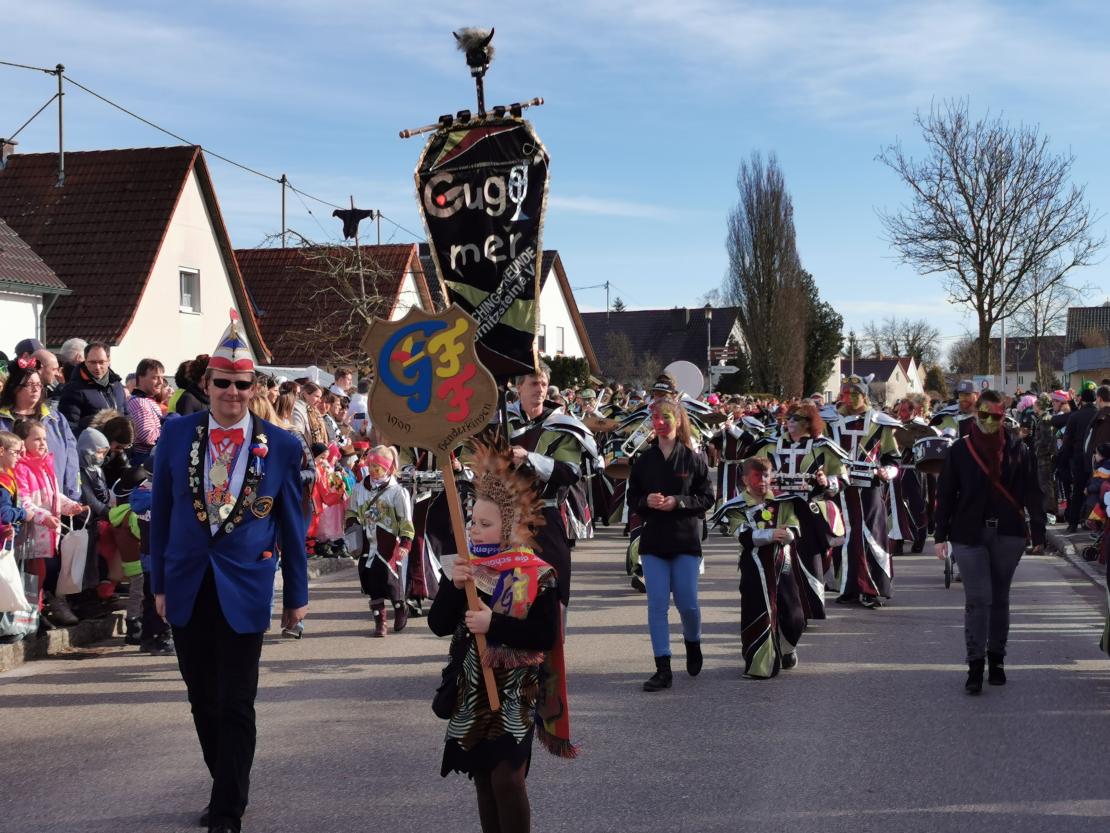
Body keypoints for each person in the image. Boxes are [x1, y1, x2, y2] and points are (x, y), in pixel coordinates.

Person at [150, 310, 308, 833]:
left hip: (246, 586)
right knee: (202, 698)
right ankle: (227, 780)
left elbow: (292, 524)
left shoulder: (281, 445)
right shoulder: (175, 434)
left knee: (237, 699)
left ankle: (227, 808)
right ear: (207, 382)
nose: (232, 393)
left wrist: (296, 597)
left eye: (242, 384)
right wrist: (158, 584)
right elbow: (165, 514)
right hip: (187, 582)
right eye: (223, 383)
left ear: (253, 386)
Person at [428, 438, 574, 833]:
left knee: (507, 780)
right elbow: (439, 624)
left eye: (485, 524)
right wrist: (454, 587)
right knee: (483, 780)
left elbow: (543, 635)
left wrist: (493, 624)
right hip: (472, 690)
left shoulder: (534, 573)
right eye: (473, 521)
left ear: (509, 526)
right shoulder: (467, 568)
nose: (475, 528)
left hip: (518, 692)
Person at [934, 390, 1046, 695]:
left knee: (999, 598)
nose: (988, 421)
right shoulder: (959, 451)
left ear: (1003, 416)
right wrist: (939, 535)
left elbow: (1034, 492)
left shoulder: (1019, 450)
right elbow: (945, 494)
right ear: (975, 414)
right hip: (968, 534)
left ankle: (997, 660)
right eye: (982, 415)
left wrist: (1038, 532)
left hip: (1008, 534)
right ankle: (975, 664)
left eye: (995, 416)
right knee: (978, 598)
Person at [627, 399, 715, 691]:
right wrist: (645, 502)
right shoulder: (643, 460)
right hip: (653, 542)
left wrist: (678, 502)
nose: (660, 422)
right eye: (655, 417)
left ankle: (693, 642)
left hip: (685, 540)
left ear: (677, 421)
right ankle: (662, 668)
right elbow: (633, 499)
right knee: (657, 605)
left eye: (666, 417)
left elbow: (706, 498)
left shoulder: (692, 458)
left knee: (688, 604)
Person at [752, 401, 847, 620]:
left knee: (807, 559)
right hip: (777, 509)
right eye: (789, 418)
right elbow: (753, 470)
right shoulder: (771, 445)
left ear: (808, 423)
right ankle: (778, 609)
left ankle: (809, 608)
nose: (790, 422)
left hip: (809, 510)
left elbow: (842, 477)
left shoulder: (822, 446)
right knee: (777, 558)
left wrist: (827, 480)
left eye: (796, 419)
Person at [826, 374, 901, 609]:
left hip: (869, 488)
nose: (850, 398)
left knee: (871, 536)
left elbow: (892, 458)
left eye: (855, 394)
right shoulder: (831, 421)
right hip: (841, 488)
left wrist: (887, 471)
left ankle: (872, 589)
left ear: (865, 396)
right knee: (844, 537)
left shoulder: (880, 423)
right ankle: (849, 587)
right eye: (846, 393)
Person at [13, 419, 86, 626]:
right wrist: (43, 517)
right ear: (22, 442)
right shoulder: (21, 468)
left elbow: (54, 495)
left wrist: (70, 505)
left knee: (40, 574)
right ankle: (28, 617)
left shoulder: (45, 464)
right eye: (36, 439)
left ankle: (35, 614)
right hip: (28, 533)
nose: (43, 443)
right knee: (30, 576)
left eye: (44, 438)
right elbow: (24, 501)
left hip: (45, 533)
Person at [348, 445, 413, 636]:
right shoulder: (360, 489)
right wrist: (352, 527)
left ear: (388, 468)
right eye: (371, 467)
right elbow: (351, 511)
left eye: (378, 467)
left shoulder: (397, 491)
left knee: (389, 578)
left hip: (388, 543)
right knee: (370, 580)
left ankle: (400, 607)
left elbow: (405, 519)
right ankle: (380, 622)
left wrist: (405, 543)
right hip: (368, 543)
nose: (374, 471)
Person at [0, 359, 80, 502]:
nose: (36, 389)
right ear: (14, 388)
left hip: (51, 500)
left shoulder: (56, 420)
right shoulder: (2, 420)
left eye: (38, 384)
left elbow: (71, 459)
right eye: (29, 384)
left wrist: (73, 494)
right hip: (9, 500)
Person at [58, 342, 127, 435]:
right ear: (85, 361)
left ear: (109, 360)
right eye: (92, 362)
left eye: (101, 362)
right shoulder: (73, 389)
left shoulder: (117, 385)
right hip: (92, 447)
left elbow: (127, 415)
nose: (97, 367)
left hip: (120, 446)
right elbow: (69, 427)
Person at [127, 358, 165, 467]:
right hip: (144, 460)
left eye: (162, 378)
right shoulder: (139, 402)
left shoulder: (147, 401)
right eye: (155, 378)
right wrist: (169, 429)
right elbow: (148, 437)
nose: (160, 382)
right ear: (141, 378)